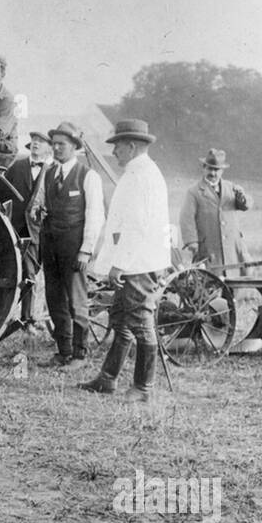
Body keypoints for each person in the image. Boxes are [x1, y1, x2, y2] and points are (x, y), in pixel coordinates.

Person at [78, 119, 170, 401]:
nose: (114, 152)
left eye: (117, 146)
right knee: (122, 319)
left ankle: (144, 387)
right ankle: (108, 378)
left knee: (140, 321)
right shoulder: (136, 172)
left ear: (132, 146)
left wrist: (121, 263)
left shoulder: (143, 176)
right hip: (133, 260)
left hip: (140, 263)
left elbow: (137, 225)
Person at [26, 123, 104, 367]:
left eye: (62, 144)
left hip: (74, 245)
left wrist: (86, 250)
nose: (57, 148)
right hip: (50, 243)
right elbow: (37, 203)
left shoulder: (87, 176)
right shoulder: (48, 173)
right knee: (55, 297)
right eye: (55, 144)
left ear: (74, 147)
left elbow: (95, 215)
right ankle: (64, 350)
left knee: (76, 299)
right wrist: (37, 212)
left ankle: (80, 354)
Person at [5, 131, 54, 329]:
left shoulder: (51, 171)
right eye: (33, 141)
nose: (35, 144)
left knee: (31, 274)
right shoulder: (17, 166)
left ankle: (28, 318)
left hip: (39, 230)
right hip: (15, 227)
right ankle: (11, 316)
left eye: (40, 142)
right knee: (11, 271)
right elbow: (2, 191)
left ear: (49, 148)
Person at [178, 148, 252, 273]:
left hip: (233, 249)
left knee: (235, 284)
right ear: (203, 168)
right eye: (209, 168)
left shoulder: (232, 188)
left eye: (216, 169)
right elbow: (186, 218)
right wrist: (192, 242)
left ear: (222, 171)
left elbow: (246, 205)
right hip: (208, 250)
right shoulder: (194, 192)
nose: (212, 173)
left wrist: (242, 199)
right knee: (210, 284)